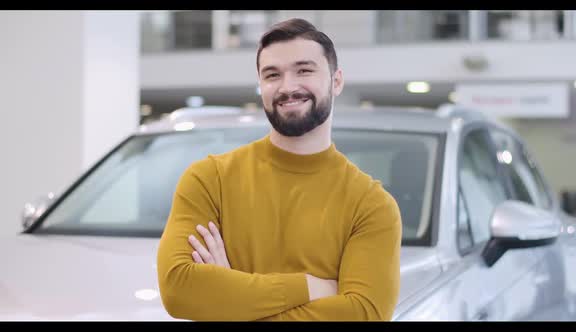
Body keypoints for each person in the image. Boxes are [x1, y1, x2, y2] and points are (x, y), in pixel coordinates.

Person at [156, 18, 402, 321]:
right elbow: (179, 288)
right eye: (272, 75)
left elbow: (364, 314)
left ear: (336, 81)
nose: (288, 87)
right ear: (261, 86)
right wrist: (309, 287)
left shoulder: (371, 205)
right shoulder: (210, 179)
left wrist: (228, 302)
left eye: (304, 70)